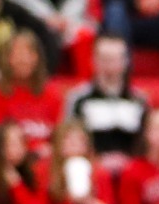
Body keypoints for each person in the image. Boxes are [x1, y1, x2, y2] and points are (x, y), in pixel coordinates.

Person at [63, 36, 148, 168]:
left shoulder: (139, 100)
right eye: (103, 59)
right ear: (93, 60)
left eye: (114, 59)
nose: (108, 65)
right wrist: (96, 161)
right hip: (91, 170)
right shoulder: (79, 99)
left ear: (125, 61)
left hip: (132, 171)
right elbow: (67, 140)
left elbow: (147, 142)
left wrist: (131, 163)